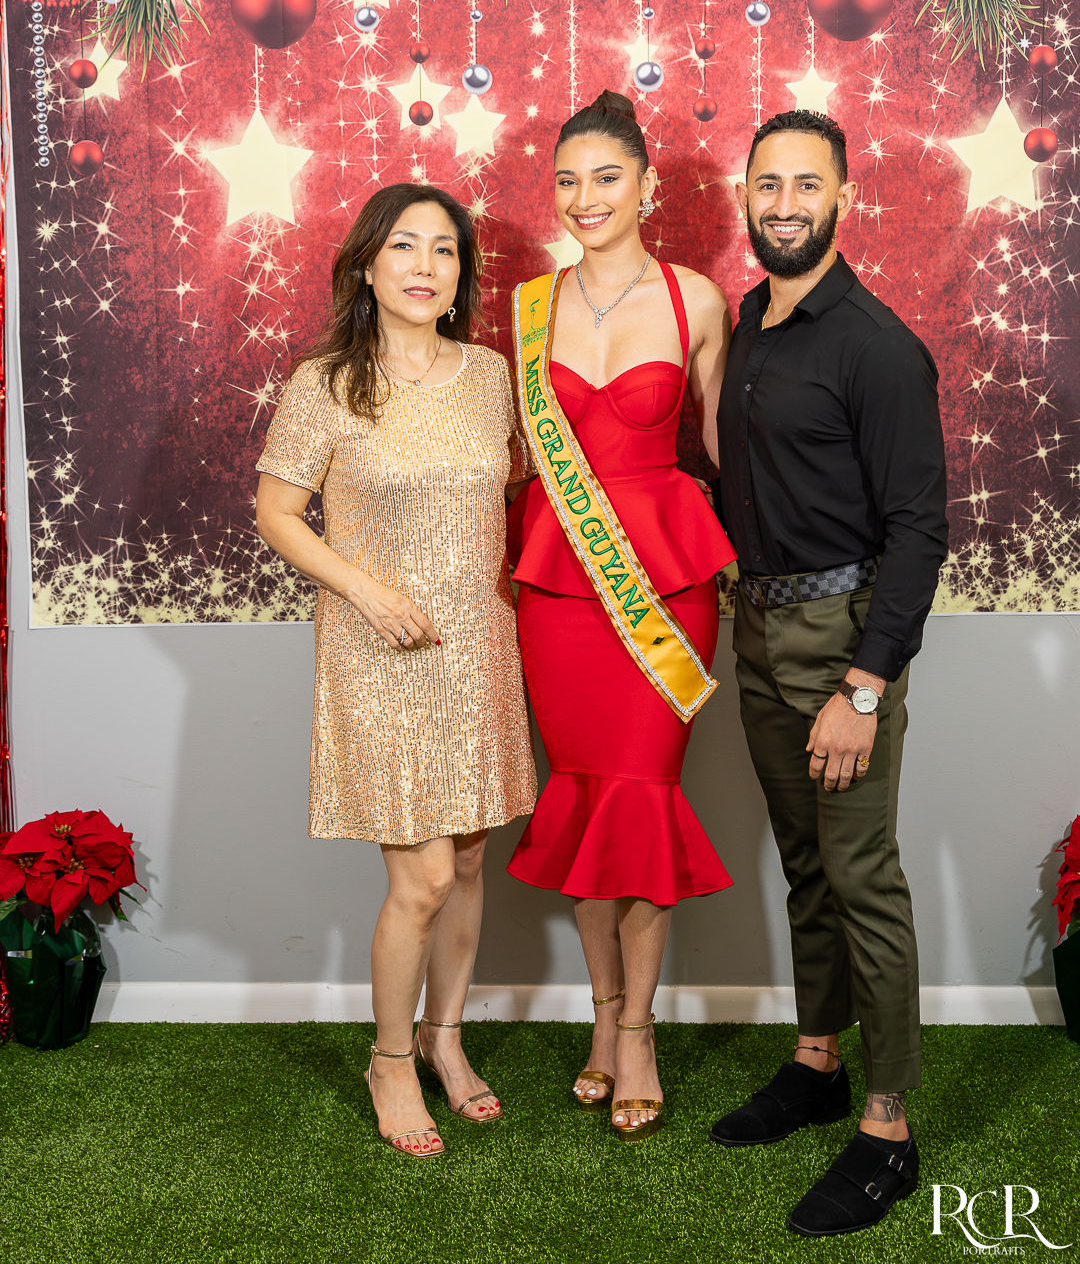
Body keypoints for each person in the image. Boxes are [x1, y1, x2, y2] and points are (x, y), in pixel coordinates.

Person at [255, 184, 536, 1160]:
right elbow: (278, 514)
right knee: (421, 878)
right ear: (367, 266)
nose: (425, 266)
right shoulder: (324, 384)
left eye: (445, 250)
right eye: (405, 246)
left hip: (478, 646)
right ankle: (389, 1060)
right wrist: (368, 591)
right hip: (380, 651)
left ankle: (444, 1039)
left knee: (469, 858)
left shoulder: (493, 376)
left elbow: (513, 491)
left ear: (462, 274)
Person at [707, 111, 948, 1235]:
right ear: (744, 196)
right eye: (769, 184)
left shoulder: (878, 347)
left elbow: (919, 532)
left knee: (862, 879)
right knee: (806, 866)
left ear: (844, 197)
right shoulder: (752, 321)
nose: (786, 204)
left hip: (841, 643)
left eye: (808, 184)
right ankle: (817, 1066)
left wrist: (864, 688)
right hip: (756, 631)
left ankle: (889, 1132)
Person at [505, 91, 737, 1142]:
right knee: (584, 796)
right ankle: (603, 1017)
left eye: (605, 177)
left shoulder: (697, 300)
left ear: (648, 184)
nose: (584, 198)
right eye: (567, 181)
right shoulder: (528, 306)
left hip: (665, 581)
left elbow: (727, 450)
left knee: (640, 797)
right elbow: (514, 456)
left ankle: (637, 1031)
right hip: (560, 586)